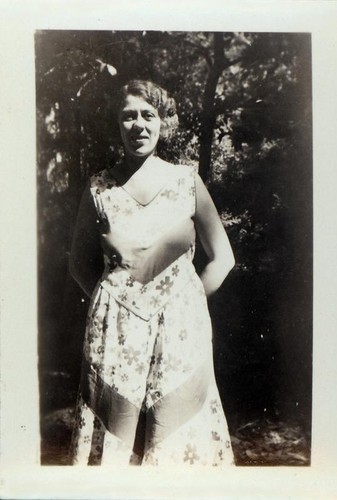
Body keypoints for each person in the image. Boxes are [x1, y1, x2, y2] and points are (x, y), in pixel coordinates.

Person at [69, 79, 236, 466]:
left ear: (163, 123)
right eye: (129, 116)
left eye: (148, 115)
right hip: (116, 336)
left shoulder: (186, 182)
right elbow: (79, 263)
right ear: (118, 124)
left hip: (179, 332)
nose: (138, 125)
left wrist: (187, 301)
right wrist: (112, 303)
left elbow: (222, 258)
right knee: (118, 434)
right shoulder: (99, 189)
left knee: (175, 432)